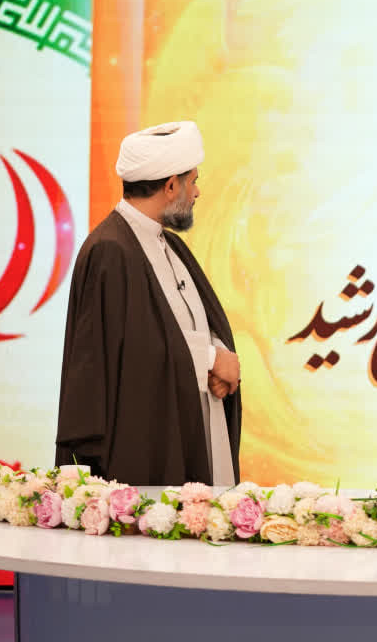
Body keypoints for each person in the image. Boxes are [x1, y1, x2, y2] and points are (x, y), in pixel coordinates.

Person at [55, 121, 241, 487]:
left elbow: (189, 324)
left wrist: (217, 363)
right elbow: (121, 357)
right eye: (193, 181)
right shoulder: (110, 250)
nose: (197, 191)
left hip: (190, 420)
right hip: (147, 442)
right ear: (171, 186)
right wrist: (209, 360)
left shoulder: (170, 245)